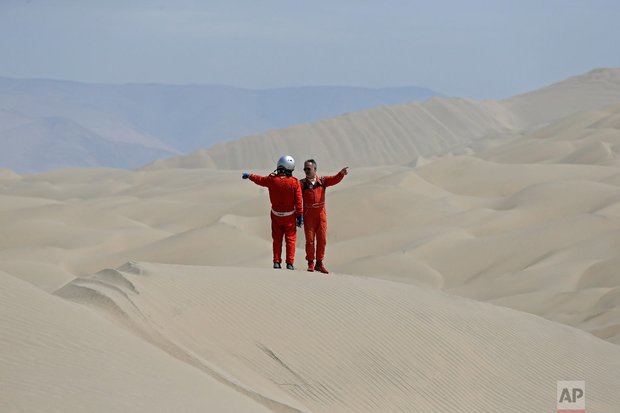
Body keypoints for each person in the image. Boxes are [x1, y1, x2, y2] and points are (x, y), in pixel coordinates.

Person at [242, 155, 303, 270]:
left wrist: (249, 176)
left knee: (277, 239)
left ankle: (276, 262)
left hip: (276, 216)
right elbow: (299, 201)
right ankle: (289, 263)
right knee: (290, 239)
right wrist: (300, 216)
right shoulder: (294, 183)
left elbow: (259, 179)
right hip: (289, 216)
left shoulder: (271, 180)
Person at [299, 159, 348, 273]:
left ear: (315, 169)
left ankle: (319, 263)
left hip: (321, 215)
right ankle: (310, 263)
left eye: (308, 169)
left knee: (322, 240)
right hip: (308, 216)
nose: (306, 171)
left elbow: (334, 179)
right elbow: (295, 196)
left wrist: (341, 174)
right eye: (304, 169)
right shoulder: (301, 184)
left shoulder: (322, 180)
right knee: (310, 241)